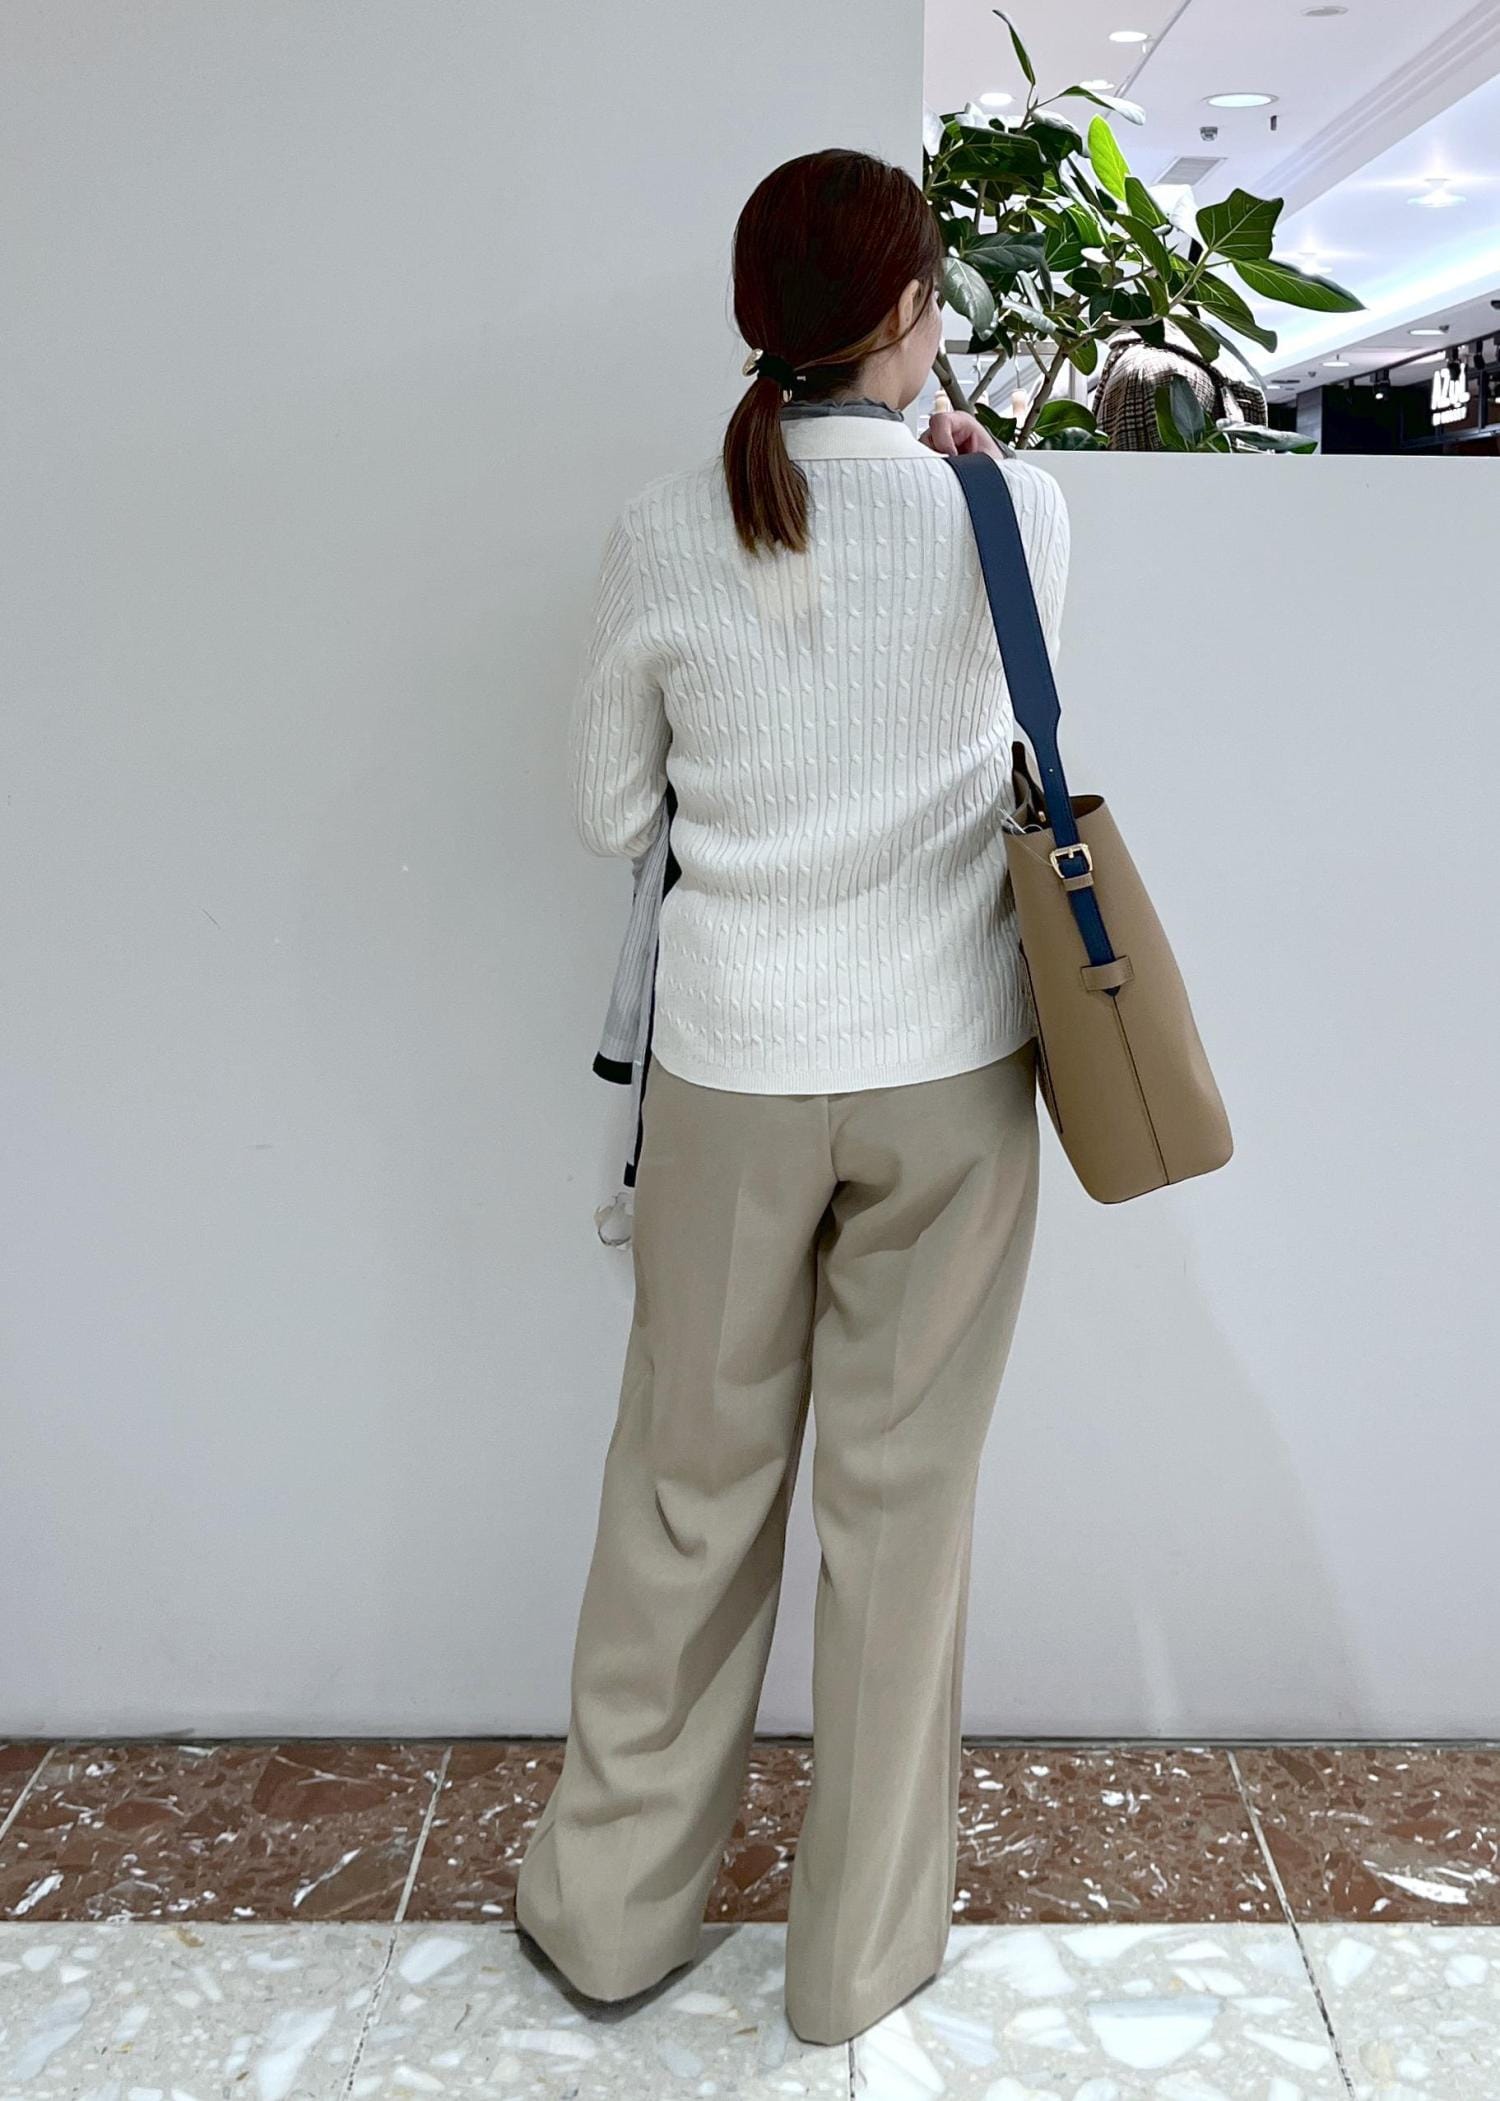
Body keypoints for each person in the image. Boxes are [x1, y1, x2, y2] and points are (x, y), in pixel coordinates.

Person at [514, 146, 1070, 2049]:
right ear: (910, 313)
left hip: (734, 1076)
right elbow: (1017, 741)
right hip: (952, 1073)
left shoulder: (669, 527)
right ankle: (856, 1959)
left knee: (685, 1497)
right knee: (902, 1523)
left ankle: (608, 1920)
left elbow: (609, 808)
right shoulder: (1015, 514)